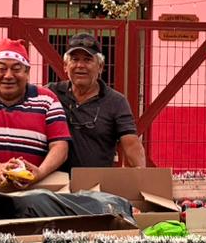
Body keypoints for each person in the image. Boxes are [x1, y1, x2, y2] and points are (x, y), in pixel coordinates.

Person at [0, 39, 71, 186]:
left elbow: (60, 146)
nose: (9, 76)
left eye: (16, 69)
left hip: (34, 191)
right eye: (1, 68)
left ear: (27, 72)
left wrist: (40, 172)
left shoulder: (47, 100)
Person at [47, 33, 145, 170]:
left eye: (87, 60)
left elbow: (131, 143)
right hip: (55, 181)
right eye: (74, 59)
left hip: (96, 185)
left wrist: (141, 174)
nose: (80, 65)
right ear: (65, 66)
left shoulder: (116, 101)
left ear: (100, 67)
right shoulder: (51, 94)